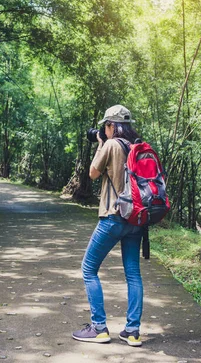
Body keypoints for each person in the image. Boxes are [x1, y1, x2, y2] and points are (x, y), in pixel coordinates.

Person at [72, 104, 144, 347]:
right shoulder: (137, 146)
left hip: (114, 216)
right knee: (133, 274)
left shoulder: (112, 145)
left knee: (88, 268)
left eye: (106, 126)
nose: (104, 130)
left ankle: (99, 327)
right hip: (136, 220)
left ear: (112, 126)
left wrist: (101, 144)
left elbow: (93, 173)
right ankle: (132, 331)